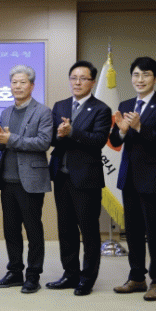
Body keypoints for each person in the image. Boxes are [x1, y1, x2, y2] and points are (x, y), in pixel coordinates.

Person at [110, 57, 156, 302]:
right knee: (133, 231)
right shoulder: (126, 104)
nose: (140, 79)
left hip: (153, 178)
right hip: (128, 177)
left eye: (146, 75)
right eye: (136, 75)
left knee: (155, 231)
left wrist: (139, 128)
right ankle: (136, 277)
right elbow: (115, 140)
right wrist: (121, 130)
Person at [47, 61, 111, 296]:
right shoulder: (60, 105)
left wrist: (72, 132)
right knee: (66, 229)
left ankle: (87, 278)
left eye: (83, 78)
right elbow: (52, 139)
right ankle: (70, 274)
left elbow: (98, 141)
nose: (77, 82)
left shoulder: (101, 109)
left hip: (86, 179)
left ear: (92, 82)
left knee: (89, 231)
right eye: (74, 77)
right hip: (61, 177)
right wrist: (59, 134)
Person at [0, 64, 52, 294]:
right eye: (14, 82)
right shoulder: (6, 112)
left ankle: (33, 275)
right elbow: (2, 144)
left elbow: (43, 142)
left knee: (33, 230)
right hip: (7, 179)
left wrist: (11, 139)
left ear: (32, 85)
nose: (17, 86)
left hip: (31, 180)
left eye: (22, 82)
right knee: (10, 230)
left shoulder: (43, 112)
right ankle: (15, 271)